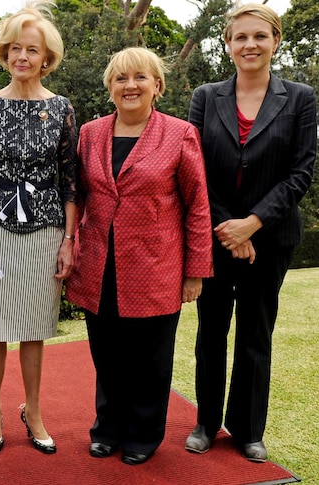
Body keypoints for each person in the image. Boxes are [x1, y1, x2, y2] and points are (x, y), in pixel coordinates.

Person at [65, 47, 213, 466]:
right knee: (107, 355)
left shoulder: (179, 133)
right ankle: (107, 429)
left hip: (157, 266)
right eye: (120, 78)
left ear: (157, 87)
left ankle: (143, 436)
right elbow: (77, 194)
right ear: (110, 87)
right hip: (98, 263)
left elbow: (197, 204)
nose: (130, 85)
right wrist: (68, 244)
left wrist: (196, 271)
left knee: (149, 359)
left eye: (140, 78)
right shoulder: (91, 133)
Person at [185, 3, 316, 463]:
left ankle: (248, 429)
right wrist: (229, 230)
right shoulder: (205, 96)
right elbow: (195, 168)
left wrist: (253, 224)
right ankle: (205, 421)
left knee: (256, 334)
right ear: (227, 43)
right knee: (211, 331)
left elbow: (301, 173)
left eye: (259, 36)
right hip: (216, 237)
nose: (250, 45)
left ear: (275, 41)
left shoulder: (300, 98)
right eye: (240, 37)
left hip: (272, 237)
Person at [0, 1, 75, 456]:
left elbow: (71, 183)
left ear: (46, 57)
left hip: (47, 229)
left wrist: (69, 240)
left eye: (32, 50)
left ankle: (34, 409)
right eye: (15, 49)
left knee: (33, 327)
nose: (23, 57)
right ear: (5, 53)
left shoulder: (64, 108)